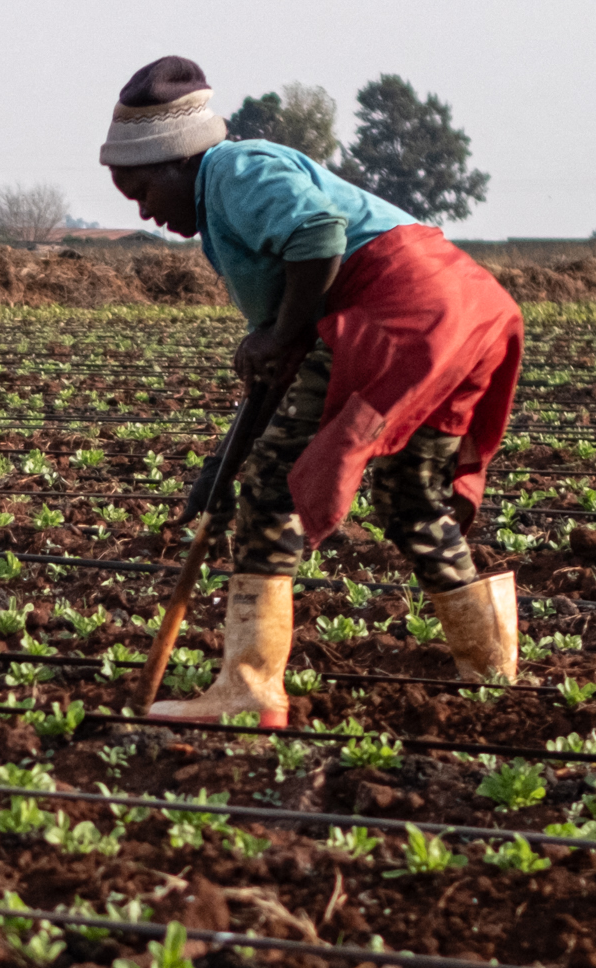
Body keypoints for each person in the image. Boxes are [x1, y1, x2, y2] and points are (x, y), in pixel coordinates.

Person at [100, 57, 524, 723]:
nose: (146, 212)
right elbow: (282, 359)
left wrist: (279, 336)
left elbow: (319, 235)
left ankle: (249, 691)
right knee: (413, 497)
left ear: (179, 161)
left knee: (274, 488)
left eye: (143, 190)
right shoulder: (231, 206)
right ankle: (493, 673)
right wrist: (219, 467)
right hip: (464, 307)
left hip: (401, 307)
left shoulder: (234, 170)